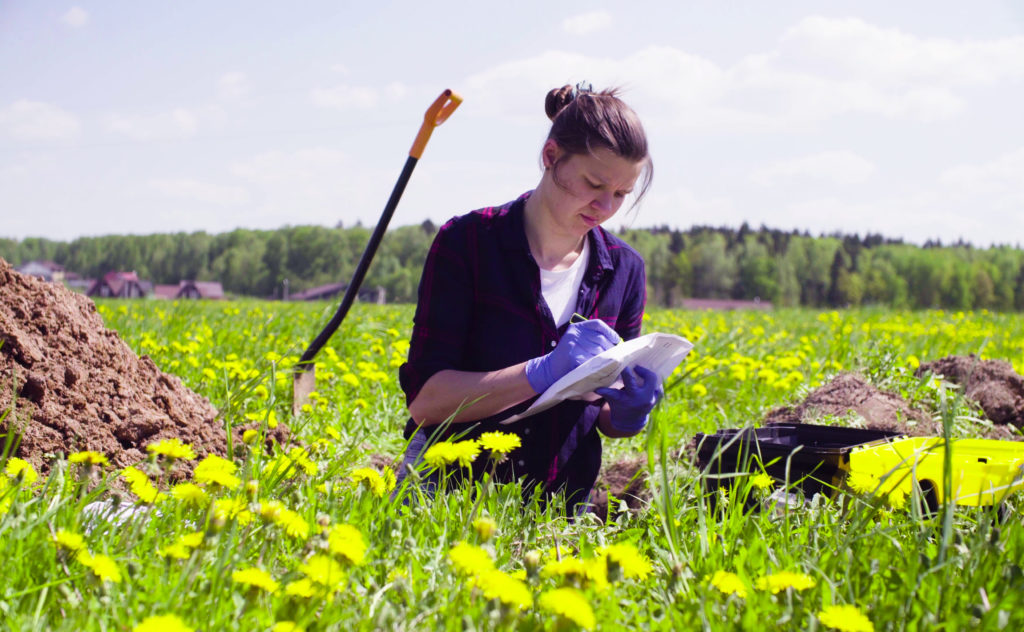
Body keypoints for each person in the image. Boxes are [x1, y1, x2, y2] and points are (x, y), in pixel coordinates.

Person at [397, 83, 660, 516]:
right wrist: (540, 372)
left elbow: (603, 411)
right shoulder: (468, 243)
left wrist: (628, 412)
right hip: (446, 504)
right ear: (551, 157)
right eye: (594, 183)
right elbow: (427, 403)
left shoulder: (624, 269)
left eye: (621, 193)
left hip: (559, 508)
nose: (605, 205)